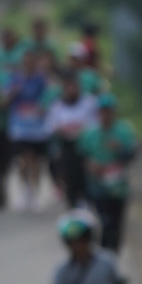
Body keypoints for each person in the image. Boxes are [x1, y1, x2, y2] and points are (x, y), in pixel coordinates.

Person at [80, 91, 138, 251]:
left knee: (116, 223)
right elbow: (82, 156)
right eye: (102, 111)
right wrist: (90, 165)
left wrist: (119, 150)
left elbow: (131, 155)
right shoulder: (90, 133)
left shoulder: (124, 131)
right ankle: (103, 251)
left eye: (108, 111)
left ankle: (114, 252)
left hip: (118, 187)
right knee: (103, 221)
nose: (105, 115)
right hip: (97, 186)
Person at [6, 47, 53, 210]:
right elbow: (5, 98)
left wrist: (42, 107)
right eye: (26, 61)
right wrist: (14, 92)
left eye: (32, 61)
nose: (29, 64)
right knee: (25, 160)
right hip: (20, 128)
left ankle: (35, 192)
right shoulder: (16, 78)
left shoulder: (42, 79)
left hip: (38, 128)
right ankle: (25, 191)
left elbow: (49, 98)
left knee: (37, 162)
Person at [45, 67, 99, 206]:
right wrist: (63, 131)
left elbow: (96, 124)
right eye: (68, 87)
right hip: (66, 146)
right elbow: (51, 126)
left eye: (73, 86)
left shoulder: (89, 103)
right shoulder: (57, 106)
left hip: (85, 147)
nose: (71, 90)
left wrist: (81, 131)